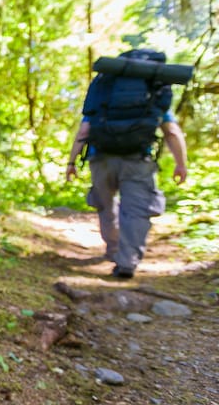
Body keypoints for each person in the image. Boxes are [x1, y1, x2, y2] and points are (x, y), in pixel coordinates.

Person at [65, 110, 188, 279]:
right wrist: (181, 164)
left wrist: (72, 162)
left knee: (105, 205)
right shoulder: (152, 94)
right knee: (136, 211)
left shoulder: (102, 94)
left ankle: (113, 249)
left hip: (101, 159)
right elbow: (171, 132)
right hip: (137, 160)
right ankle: (127, 262)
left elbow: (84, 131)